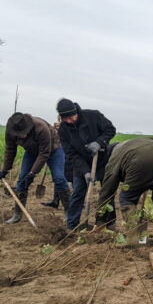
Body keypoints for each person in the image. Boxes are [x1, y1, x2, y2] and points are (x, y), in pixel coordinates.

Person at [94, 136, 153, 246]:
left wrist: (100, 221)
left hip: (140, 162)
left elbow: (106, 192)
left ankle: (131, 239)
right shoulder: (133, 143)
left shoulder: (114, 155)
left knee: (126, 198)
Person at [0, 112, 70, 224]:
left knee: (59, 178)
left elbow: (44, 153)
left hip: (54, 149)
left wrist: (32, 173)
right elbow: (10, 150)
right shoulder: (10, 132)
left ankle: (69, 212)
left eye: (24, 133)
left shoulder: (40, 127)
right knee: (21, 180)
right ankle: (17, 214)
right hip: (31, 151)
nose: (23, 136)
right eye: (20, 134)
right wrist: (5, 169)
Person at [56, 98, 116, 230]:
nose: (70, 121)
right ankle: (71, 226)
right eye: (66, 119)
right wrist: (85, 171)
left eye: (72, 117)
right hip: (80, 163)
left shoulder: (93, 116)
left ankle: (109, 223)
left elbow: (111, 130)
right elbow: (71, 154)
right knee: (78, 192)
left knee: (106, 191)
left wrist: (99, 142)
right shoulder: (63, 130)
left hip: (101, 160)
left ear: (76, 111)